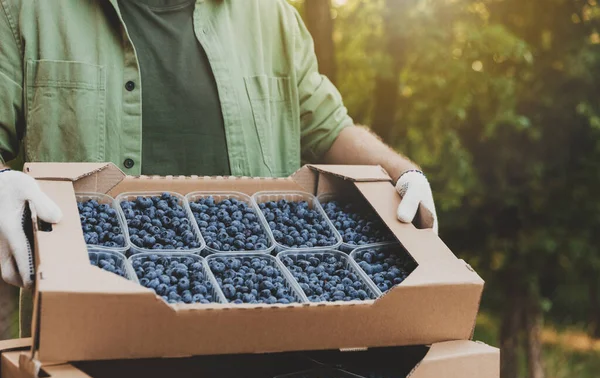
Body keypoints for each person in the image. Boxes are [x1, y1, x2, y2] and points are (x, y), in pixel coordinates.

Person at [0, 0, 437, 306]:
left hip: (260, 315)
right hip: (89, 320)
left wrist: (402, 173)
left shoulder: (272, 18)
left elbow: (330, 129)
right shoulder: (27, 10)